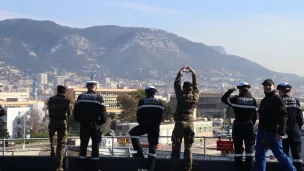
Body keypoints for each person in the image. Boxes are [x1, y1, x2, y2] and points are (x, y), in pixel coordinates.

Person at [254, 79, 296, 171]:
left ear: (273, 86)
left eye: (269, 85)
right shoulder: (264, 100)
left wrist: (281, 132)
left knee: (279, 155)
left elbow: (284, 116)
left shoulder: (277, 99)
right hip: (262, 133)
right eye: (265, 86)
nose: (267, 87)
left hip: (273, 133)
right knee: (260, 155)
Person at [221, 82, 257, 171]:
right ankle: (249, 168)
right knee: (249, 149)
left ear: (239, 89)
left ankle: (238, 168)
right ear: (248, 89)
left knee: (238, 149)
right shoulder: (253, 100)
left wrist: (231, 90)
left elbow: (224, 99)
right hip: (249, 125)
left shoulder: (235, 99)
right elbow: (255, 115)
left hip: (238, 125)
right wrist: (251, 124)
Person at [169, 66, 199, 171]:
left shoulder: (180, 95)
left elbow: (176, 85)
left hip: (180, 123)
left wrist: (180, 72)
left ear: (184, 88)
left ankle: (174, 168)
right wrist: (194, 74)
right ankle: (188, 169)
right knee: (188, 148)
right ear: (191, 89)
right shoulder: (195, 96)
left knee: (176, 147)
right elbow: (196, 86)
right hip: (190, 124)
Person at [73, 81, 107, 171]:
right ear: (95, 87)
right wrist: (100, 123)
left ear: (87, 87)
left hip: (84, 125)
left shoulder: (80, 97)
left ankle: (81, 167)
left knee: (83, 145)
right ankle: (95, 167)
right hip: (95, 126)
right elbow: (103, 114)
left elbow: (75, 112)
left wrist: (81, 121)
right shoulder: (99, 98)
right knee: (95, 146)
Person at [129, 85, 164, 171]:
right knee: (152, 147)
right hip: (155, 126)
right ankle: (150, 168)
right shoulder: (159, 102)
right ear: (154, 93)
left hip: (145, 125)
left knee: (133, 133)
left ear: (146, 93)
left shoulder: (142, 101)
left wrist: (142, 124)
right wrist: (156, 124)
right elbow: (161, 117)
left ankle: (139, 152)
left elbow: (138, 115)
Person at [277, 82, 303, 171]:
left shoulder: (278, 101)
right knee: (297, 154)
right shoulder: (296, 100)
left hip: (283, 131)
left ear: (280, 91)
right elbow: (300, 118)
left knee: (284, 153)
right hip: (295, 129)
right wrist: (297, 128)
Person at [47, 85, 72, 171]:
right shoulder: (67, 101)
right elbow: (70, 115)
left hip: (52, 122)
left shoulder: (51, 100)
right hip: (62, 123)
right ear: (64, 92)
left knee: (52, 139)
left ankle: (52, 152)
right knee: (61, 144)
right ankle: (59, 166)